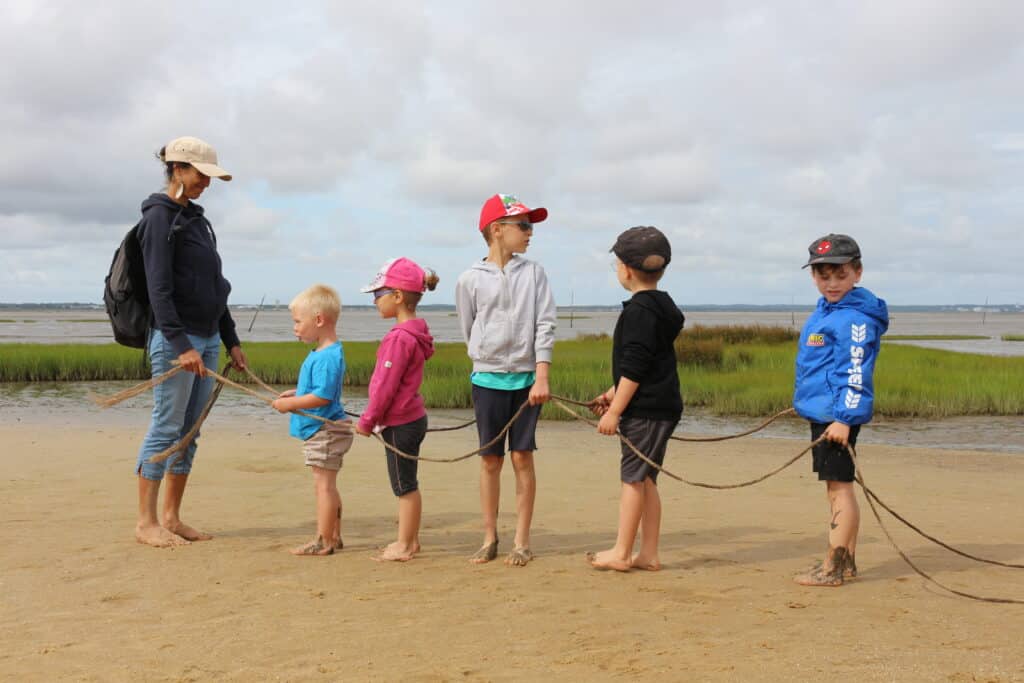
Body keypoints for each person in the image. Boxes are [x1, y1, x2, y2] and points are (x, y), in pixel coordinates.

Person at [134, 136, 247, 548]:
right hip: (175, 342)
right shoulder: (158, 219)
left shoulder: (197, 221)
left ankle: (172, 517)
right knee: (166, 427)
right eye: (201, 175)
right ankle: (146, 523)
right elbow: (159, 290)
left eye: (210, 177)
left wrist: (231, 339)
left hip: (210, 338)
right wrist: (182, 345)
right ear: (178, 169)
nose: (206, 183)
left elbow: (217, 287)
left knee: (190, 431)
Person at [455, 194, 556, 567]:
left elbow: (545, 323)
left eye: (531, 226)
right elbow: (468, 327)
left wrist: (541, 374)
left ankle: (522, 541)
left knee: (522, 456)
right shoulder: (469, 279)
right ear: (497, 230)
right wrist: (485, 357)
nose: (530, 233)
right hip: (487, 380)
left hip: (528, 381)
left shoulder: (534, 273)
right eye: (524, 226)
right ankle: (489, 538)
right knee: (490, 460)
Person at [792, 233, 888, 587]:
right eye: (824, 276)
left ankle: (832, 568)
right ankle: (845, 562)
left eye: (840, 275)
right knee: (838, 487)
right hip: (824, 413)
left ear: (857, 273)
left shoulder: (854, 319)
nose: (832, 283)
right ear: (813, 276)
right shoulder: (825, 311)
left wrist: (844, 420)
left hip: (837, 418)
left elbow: (855, 371)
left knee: (839, 489)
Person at [587, 227, 684, 572]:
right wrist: (610, 394)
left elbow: (635, 366)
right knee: (646, 479)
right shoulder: (662, 306)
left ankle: (622, 552)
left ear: (626, 269)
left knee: (632, 479)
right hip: (662, 406)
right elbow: (647, 365)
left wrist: (614, 411)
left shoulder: (638, 312)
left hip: (645, 411)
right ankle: (649, 553)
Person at [353, 258, 438, 562]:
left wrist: (367, 421)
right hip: (411, 419)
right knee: (407, 483)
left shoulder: (399, 338)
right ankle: (410, 540)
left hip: (401, 423)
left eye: (378, 294)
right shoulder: (414, 333)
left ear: (398, 296)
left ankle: (405, 545)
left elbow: (384, 386)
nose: (375, 301)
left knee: (404, 486)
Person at [272, 284, 353, 556]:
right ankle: (334, 536)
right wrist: (297, 393)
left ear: (318, 320)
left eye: (298, 321)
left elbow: (323, 396)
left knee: (323, 487)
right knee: (327, 485)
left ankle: (323, 540)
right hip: (323, 429)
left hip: (325, 430)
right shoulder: (323, 352)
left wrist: (290, 404)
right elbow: (317, 389)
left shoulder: (327, 356)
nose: (295, 328)